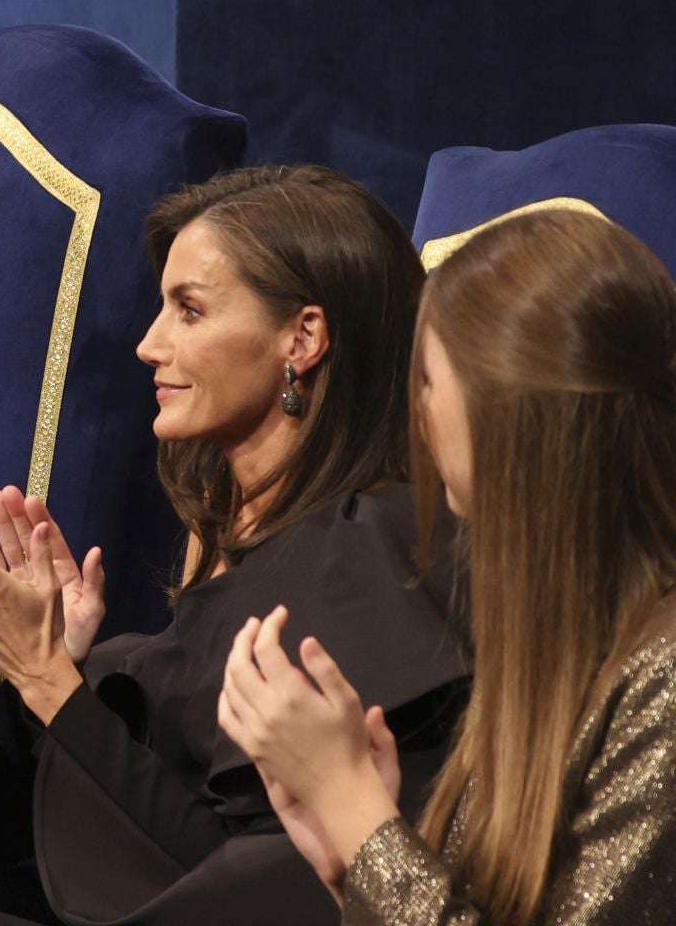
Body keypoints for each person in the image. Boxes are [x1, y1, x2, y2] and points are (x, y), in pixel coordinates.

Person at [0, 165, 471, 925]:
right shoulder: (243, 528)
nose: (147, 344)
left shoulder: (375, 558)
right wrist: (56, 661)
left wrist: (47, 680)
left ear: (303, 336)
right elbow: (18, 840)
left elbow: (244, 885)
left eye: (189, 311)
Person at [219, 209, 676, 925]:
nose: (418, 412)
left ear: (506, 415)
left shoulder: (665, 677)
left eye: (430, 381)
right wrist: (353, 866)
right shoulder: (549, 631)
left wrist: (355, 807)